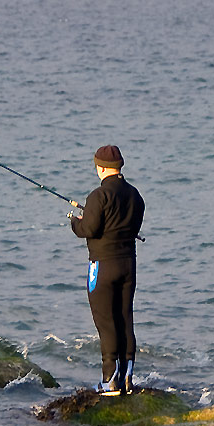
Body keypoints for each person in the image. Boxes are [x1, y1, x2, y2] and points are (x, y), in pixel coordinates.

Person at [68, 145, 145, 394]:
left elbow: (88, 230)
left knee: (106, 322)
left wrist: (74, 222)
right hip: (128, 265)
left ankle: (109, 380)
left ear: (100, 167)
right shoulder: (136, 196)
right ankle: (127, 377)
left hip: (102, 266)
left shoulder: (98, 196)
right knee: (125, 318)